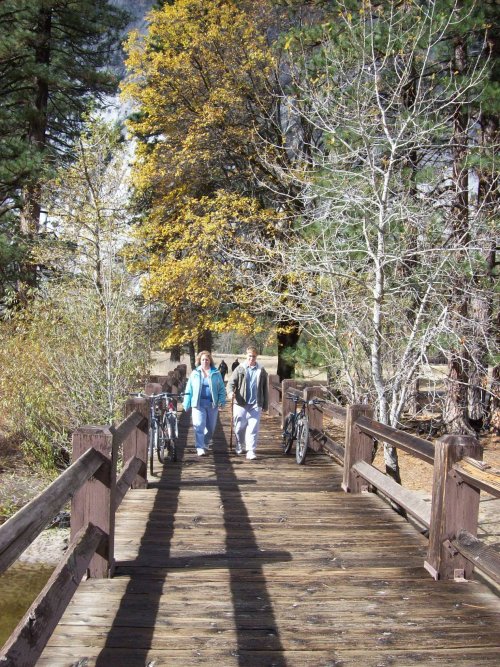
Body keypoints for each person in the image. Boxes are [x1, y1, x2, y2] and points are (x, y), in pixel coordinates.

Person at [227, 347, 268, 460]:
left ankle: (251, 450)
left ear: (256, 357)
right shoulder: (240, 368)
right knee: (240, 426)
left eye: (253, 356)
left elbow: (265, 388)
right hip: (241, 403)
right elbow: (231, 383)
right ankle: (240, 444)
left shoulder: (261, 370)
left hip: (255, 403)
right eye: (249, 356)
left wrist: (265, 404)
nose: (251, 358)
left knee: (253, 428)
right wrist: (230, 393)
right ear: (246, 356)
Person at [183, 350, 226, 456]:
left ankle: (206, 442)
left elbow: (221, 389)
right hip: (198, 404)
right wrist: (186, 403)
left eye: (207, 359)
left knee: (211, 428)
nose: (205, 361)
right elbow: (189, 389)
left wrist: (221, 402)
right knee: (199, 425)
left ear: (210, 361)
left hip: (212, 404)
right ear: (199, 361)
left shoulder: (216, 373)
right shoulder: (195, 373)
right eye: (203, 360)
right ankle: (200, 447)